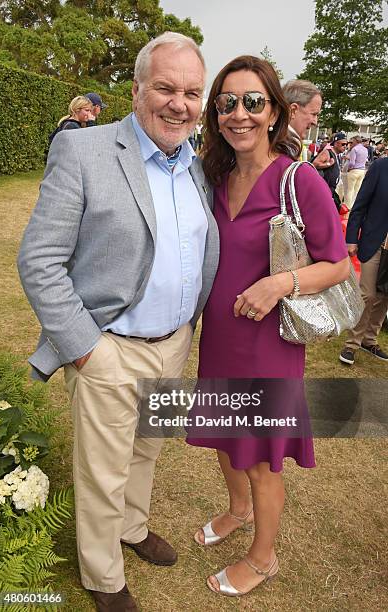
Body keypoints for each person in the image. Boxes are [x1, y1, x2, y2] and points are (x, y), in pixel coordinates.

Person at [18, 32, 219, 612]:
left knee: (147, 450)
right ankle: (102, 576)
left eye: (191, 91)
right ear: (136, 90)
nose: (179, 103)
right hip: (108, 346)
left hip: (174, 343)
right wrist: (85, 348)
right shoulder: (85, 151)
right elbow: (39, 259)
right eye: (165, 88)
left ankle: (132, 529)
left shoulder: (195, 164)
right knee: (103, 470)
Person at [187, 55, 350, 598]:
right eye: (227, 103)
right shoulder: (216, 174)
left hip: (269, 345)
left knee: (259, 455)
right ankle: (236, 511)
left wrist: (280, 284)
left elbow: (338, 263)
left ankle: (263, 556)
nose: (240, 114)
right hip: (221, 338)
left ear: (276, 111)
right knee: (222, 435)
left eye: (253, 101)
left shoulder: (299, 180)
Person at [339, 156, 388, 365]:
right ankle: (351, 344)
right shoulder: (380, 167)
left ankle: (370, 340)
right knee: (367, 294)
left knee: (385, 296)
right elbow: (359, 205)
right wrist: (351, 238)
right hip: (374, 242)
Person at [316, 132, 348, 210]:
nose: (345, 147)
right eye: (343, 144)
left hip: (331, 190)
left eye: (346, 144)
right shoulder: (327, 152)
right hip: (324, 189)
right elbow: (315, 164)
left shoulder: (336, 155)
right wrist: (328, 164)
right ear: (336, 143)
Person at [346, 134, 368, 208]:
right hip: (362, 171)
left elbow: (352, 162)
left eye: (353, 141)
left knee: (350, 190)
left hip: (354, 170)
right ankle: (354, 205)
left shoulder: (354, 149)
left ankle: (348, 206)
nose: (352, 143)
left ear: (356, 141)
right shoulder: (365, 149)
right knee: (357, 190)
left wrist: (349, 168)